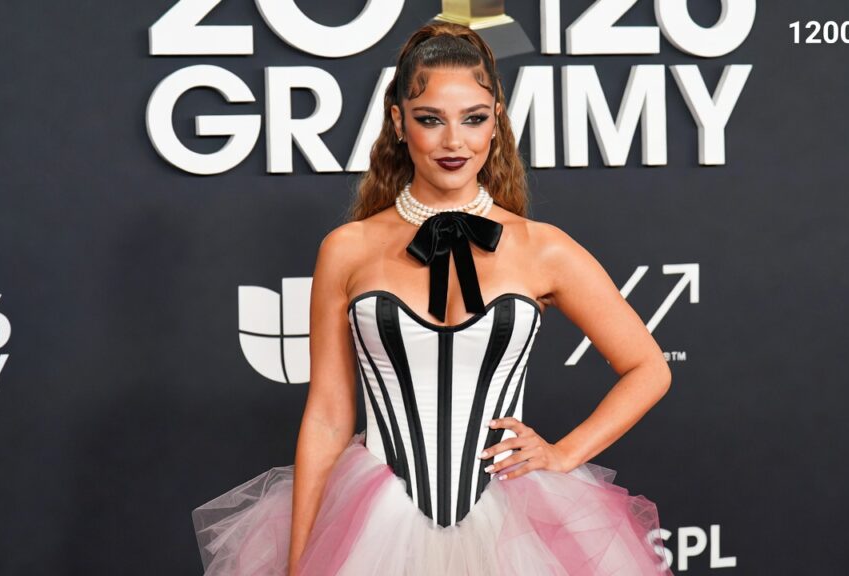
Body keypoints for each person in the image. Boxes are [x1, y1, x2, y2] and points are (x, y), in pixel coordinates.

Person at [192, 22, 674, 576]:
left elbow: (648, 367)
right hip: (372, 526)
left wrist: (563, 454)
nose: (454, 142)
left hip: (513, 528)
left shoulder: (544, 249)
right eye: (430, 120)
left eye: (473, 118)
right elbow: (327, 414)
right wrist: (302, 561)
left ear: (496, 123)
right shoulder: (346, 250)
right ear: (398, 123)